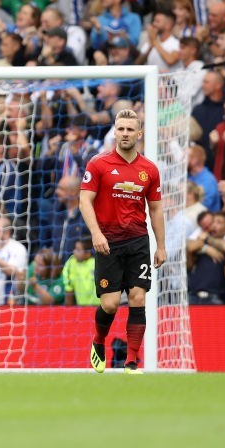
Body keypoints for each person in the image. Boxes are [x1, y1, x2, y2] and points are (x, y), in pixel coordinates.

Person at [80, 109, 166, 374]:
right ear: (115, 132)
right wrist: (96, 233)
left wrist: (160, 245)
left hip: (138, 241)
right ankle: (98, 340)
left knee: (138, 298)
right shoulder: (98, 164)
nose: (125, 134)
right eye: (121, 129)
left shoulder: (149, 169)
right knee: (110, 304)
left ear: (139, 133)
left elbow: (156, 209)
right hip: (108, 242)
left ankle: (131, 360)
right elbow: (84, 200)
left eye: (130, 129)